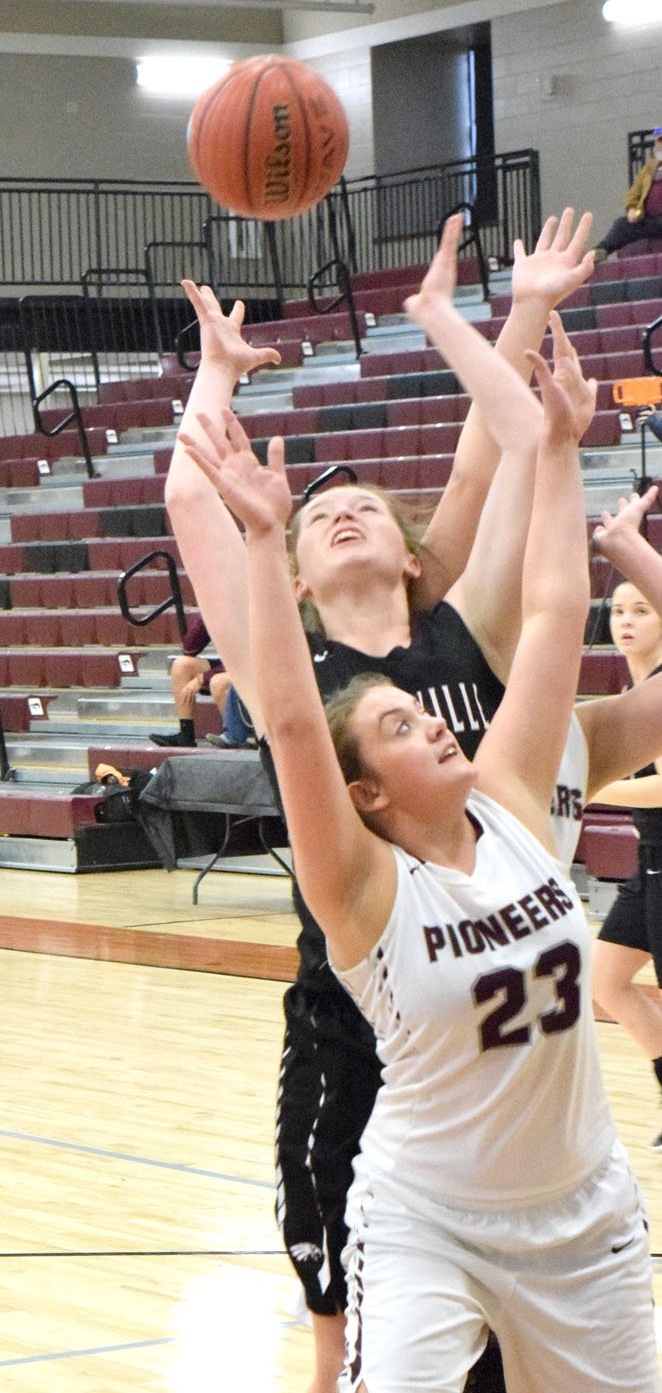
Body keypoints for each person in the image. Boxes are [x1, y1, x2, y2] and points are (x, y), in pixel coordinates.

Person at [178, 258, 660, 1393]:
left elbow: (535, 568)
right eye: (315, 514)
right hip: (375, 1022)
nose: (340, 508)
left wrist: (547, 419)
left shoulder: (482, 711)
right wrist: (217, 398)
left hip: (553, 1147)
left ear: (411, 554)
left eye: (362, 506)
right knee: (346, 1339)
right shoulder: (310, 710)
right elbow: (293, 719)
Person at [589, 487, 662, 1149]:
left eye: (643, 607)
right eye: (619, 609)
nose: (628, 619)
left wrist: (588, 786)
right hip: (650, 868)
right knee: (607, 979)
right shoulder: (627, 695)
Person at [149, 610, 230, 748]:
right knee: (182, 665)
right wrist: (206, 614)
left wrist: (203, 678)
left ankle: (235, 735)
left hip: (256, 668)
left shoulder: (248, 607)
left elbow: (245, 661)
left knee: (218, 682)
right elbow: (189, 649)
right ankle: (186, 735)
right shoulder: (221, 606)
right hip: (232, 665)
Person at [593, 127, 662, 262]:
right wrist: (632, 209)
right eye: (659, 142)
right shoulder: (649, 169)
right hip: (650, 220)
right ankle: (600, 251)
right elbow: (634, 193)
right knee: (621, 224)